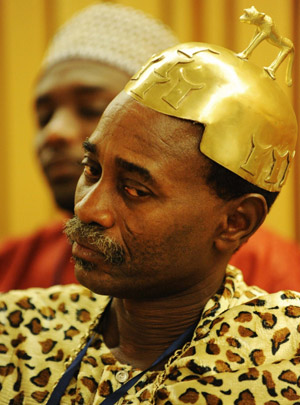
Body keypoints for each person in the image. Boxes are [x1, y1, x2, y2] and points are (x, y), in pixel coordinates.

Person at [1, 19, 300, 403]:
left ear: (235, 223)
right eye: (91, 170)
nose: (87, 208)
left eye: (134, 190)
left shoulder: (282, 360)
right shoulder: (19, 334)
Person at [0, 2, 178, 291]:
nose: (54, 132)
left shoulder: (262, 267)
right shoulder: (12, 266)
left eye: (91, 108)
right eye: (44, 117)